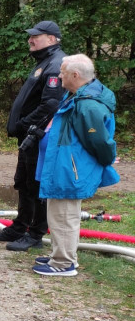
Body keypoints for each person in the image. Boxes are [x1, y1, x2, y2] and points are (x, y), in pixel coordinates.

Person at [32, 54, 119, 276]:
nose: (59, 76)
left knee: (64, 217)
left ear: (75, 75)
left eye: (62, 72)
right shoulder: (77, 96)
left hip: (70, 170)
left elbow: (98, 140)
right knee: (60, 215)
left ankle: (63, 264)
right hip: (65, 168)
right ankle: (61, 255)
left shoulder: (87, 105)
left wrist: (108, 157)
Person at [0, 21, 66, 251]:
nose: (30, 40)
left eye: (36, 36)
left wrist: (24, 124)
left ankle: (35, 233)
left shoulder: (55, 65)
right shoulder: (44, 63)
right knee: (23, 182)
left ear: (51, 39)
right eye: (30, 36)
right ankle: (19, 226)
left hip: (39, 137)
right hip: (29, 137)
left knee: (35, 185)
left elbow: (50, 105)